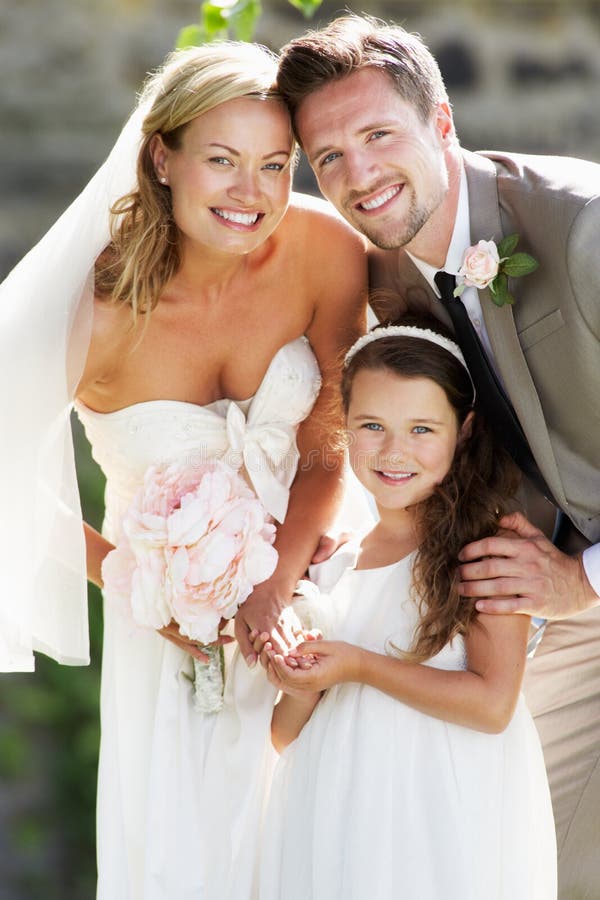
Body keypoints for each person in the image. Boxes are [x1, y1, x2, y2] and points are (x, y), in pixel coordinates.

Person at [0, 42, 368, 898]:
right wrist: (143, 590)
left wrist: (276, 585)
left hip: (314, 603)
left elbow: (328, 444)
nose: (253, 194)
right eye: (223, 161)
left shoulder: (322, 250)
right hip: (171, 645)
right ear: (163, 157)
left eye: (275, 165)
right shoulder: (90, 308)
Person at [276, 16, 600, 895]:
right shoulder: (387, 274)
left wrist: (589, 581)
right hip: (545, 604)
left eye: (379, 134)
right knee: (519, 853)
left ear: (443, 122)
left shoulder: (584, 230)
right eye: (329, 156)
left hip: (583, 583)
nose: (358, 173)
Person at [257, 320, 556, 899]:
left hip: (439, 818)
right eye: (373, 426)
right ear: (343, 428)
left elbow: (494, 704)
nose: (394, 451)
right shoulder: (336, 560)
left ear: (463, 432)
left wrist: (359, 666)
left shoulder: (485, 551)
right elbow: (284, 738)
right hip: (337, 819)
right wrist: (297, 685)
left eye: (422, 429)